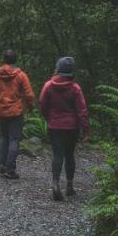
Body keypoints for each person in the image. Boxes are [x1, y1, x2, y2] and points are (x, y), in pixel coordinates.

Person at [38, 56, 90, 201]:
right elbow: (82, 110)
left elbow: (42, 103)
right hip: (71, 127)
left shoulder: (48, 85)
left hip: (54, 126)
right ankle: (69, 185)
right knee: (69, 155)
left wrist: (48, 117)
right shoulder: (75, 88)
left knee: (57, 154)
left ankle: (55, 183)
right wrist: (86, 130)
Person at [0, 49, 36, 179]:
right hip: (16, 111)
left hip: (2, 111)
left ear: (4, 60)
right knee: (14, 139)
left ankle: (2, 164)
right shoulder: (21, 75)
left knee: (4, 137)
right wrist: (30, 108)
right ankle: (10, 169)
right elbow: (29, 95)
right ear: (15, 60)